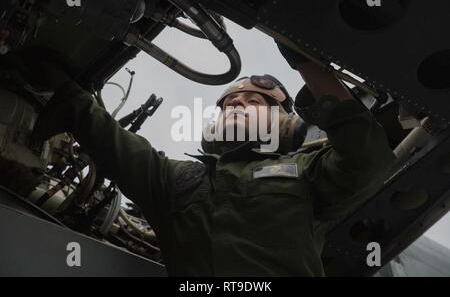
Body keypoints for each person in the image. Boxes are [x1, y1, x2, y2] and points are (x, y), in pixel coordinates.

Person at [32, 42, 396, 276]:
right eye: (230, 105)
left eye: (253, 103)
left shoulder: (305, 171)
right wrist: (58, 82)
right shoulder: (177, 178)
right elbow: (110, 140)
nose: (237, 106)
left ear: (282, 119)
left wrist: (307, 63)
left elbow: (368, 159)